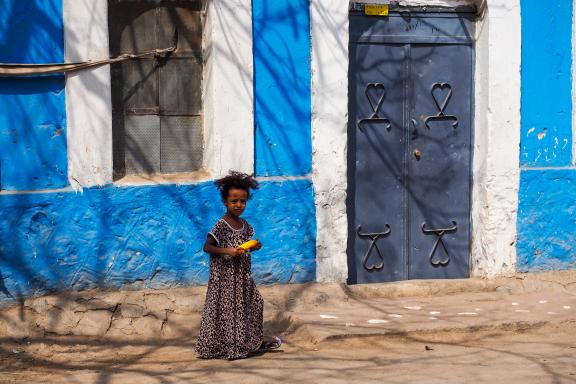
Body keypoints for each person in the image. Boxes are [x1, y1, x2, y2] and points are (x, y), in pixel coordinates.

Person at [195, 171, 282, 360]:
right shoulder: (221, 225)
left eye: (242, 201)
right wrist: (228, 251)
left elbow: (243, 249)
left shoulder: (245, 225)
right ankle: (224, 347)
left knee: (254, 304)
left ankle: (248, 341)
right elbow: (207, 246)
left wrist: (254, 247)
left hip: (242, 277)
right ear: (225, 201)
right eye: (234, 201)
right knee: (226, 313)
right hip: (225, 279)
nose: (238, 205)